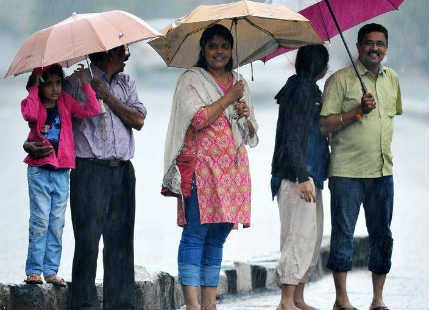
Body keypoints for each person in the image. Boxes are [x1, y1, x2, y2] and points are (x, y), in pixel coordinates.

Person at [24, 45, 146, 310]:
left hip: (123, 171)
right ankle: (83, 306)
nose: (127, 55)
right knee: (88, 243)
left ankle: (121, 306)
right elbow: (46, 120)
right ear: (105, 53)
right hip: (88, 171)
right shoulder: (73, 85)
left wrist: (107, 96)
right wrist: (29, 144)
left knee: (121, 244)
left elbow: (138, 120)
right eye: (121, 50)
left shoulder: (126, 83)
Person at [161, 24, 258, 310]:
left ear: (231, 50)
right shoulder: (191, 80)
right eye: (213, 46)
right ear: (203, 49)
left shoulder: (239, 81)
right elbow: (199, 119)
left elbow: (250, 133)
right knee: (195, 234)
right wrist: (229, 98)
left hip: (232, 171)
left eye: (224, 46)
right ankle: (193, 306)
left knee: (217, 237)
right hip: (201, 171)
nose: (219, 52)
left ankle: (209, 305)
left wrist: (244, 114)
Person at [319, 23, 402, 310]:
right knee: (343, 234)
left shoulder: (392, 79)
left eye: (380, 43)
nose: (374, 48)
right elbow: (323, 125)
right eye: (369, 43)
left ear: (386, 48)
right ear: (358, 47)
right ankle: (342, 300)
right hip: (347, 173)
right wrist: (357, 112)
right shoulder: (340, 80)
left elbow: (388, 120)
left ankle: (378, 299)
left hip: (382, 171)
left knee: (383, 235)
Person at [21, 63, 101, 287]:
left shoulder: (65, 103)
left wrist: (85, 82)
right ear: (40, 87)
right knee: (40, 220)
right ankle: (34, 270)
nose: (55, 89)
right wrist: (35, 83)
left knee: (56, 222)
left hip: (62, 171)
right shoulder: (34, 106)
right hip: (39, 171)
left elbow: (93, 109)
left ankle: (51, 270)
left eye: (59, 83)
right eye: (50, 84)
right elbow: (29, 113)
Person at [271, 44, 330, 310]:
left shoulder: (302, 88)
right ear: (322, 68)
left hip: (309, 175)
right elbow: (294, 138)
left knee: (310, 237)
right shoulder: (302, 91)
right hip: (298, 176)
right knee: (298, 237)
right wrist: (302, 175)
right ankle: (286, 301)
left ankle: (298, 298)